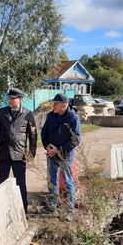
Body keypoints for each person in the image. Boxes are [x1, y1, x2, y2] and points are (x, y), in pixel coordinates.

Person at [0, 88, 37, 216]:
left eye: (13, 98)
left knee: (20, 183)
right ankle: (0, 210)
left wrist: (31, 153)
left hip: (19, 154)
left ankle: (23, 209)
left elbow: (33, 135)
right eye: (9, 98)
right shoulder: (1, 112)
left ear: (20, 100)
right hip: (4, 153)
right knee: (1, 183)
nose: (10, 100)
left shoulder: (27, 114)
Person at [40, 93, 81, 222]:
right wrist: (48, 147)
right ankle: (51, 205)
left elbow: (76, 139)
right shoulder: (51, 115)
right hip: (51, 154)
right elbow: (44, 132)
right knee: (52, 181)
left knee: (68, 182)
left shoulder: (73, 118)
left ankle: (69, 210)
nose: (53, 105)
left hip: (65, 156)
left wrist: (59, 150)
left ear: (63, 105)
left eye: (55, 103)